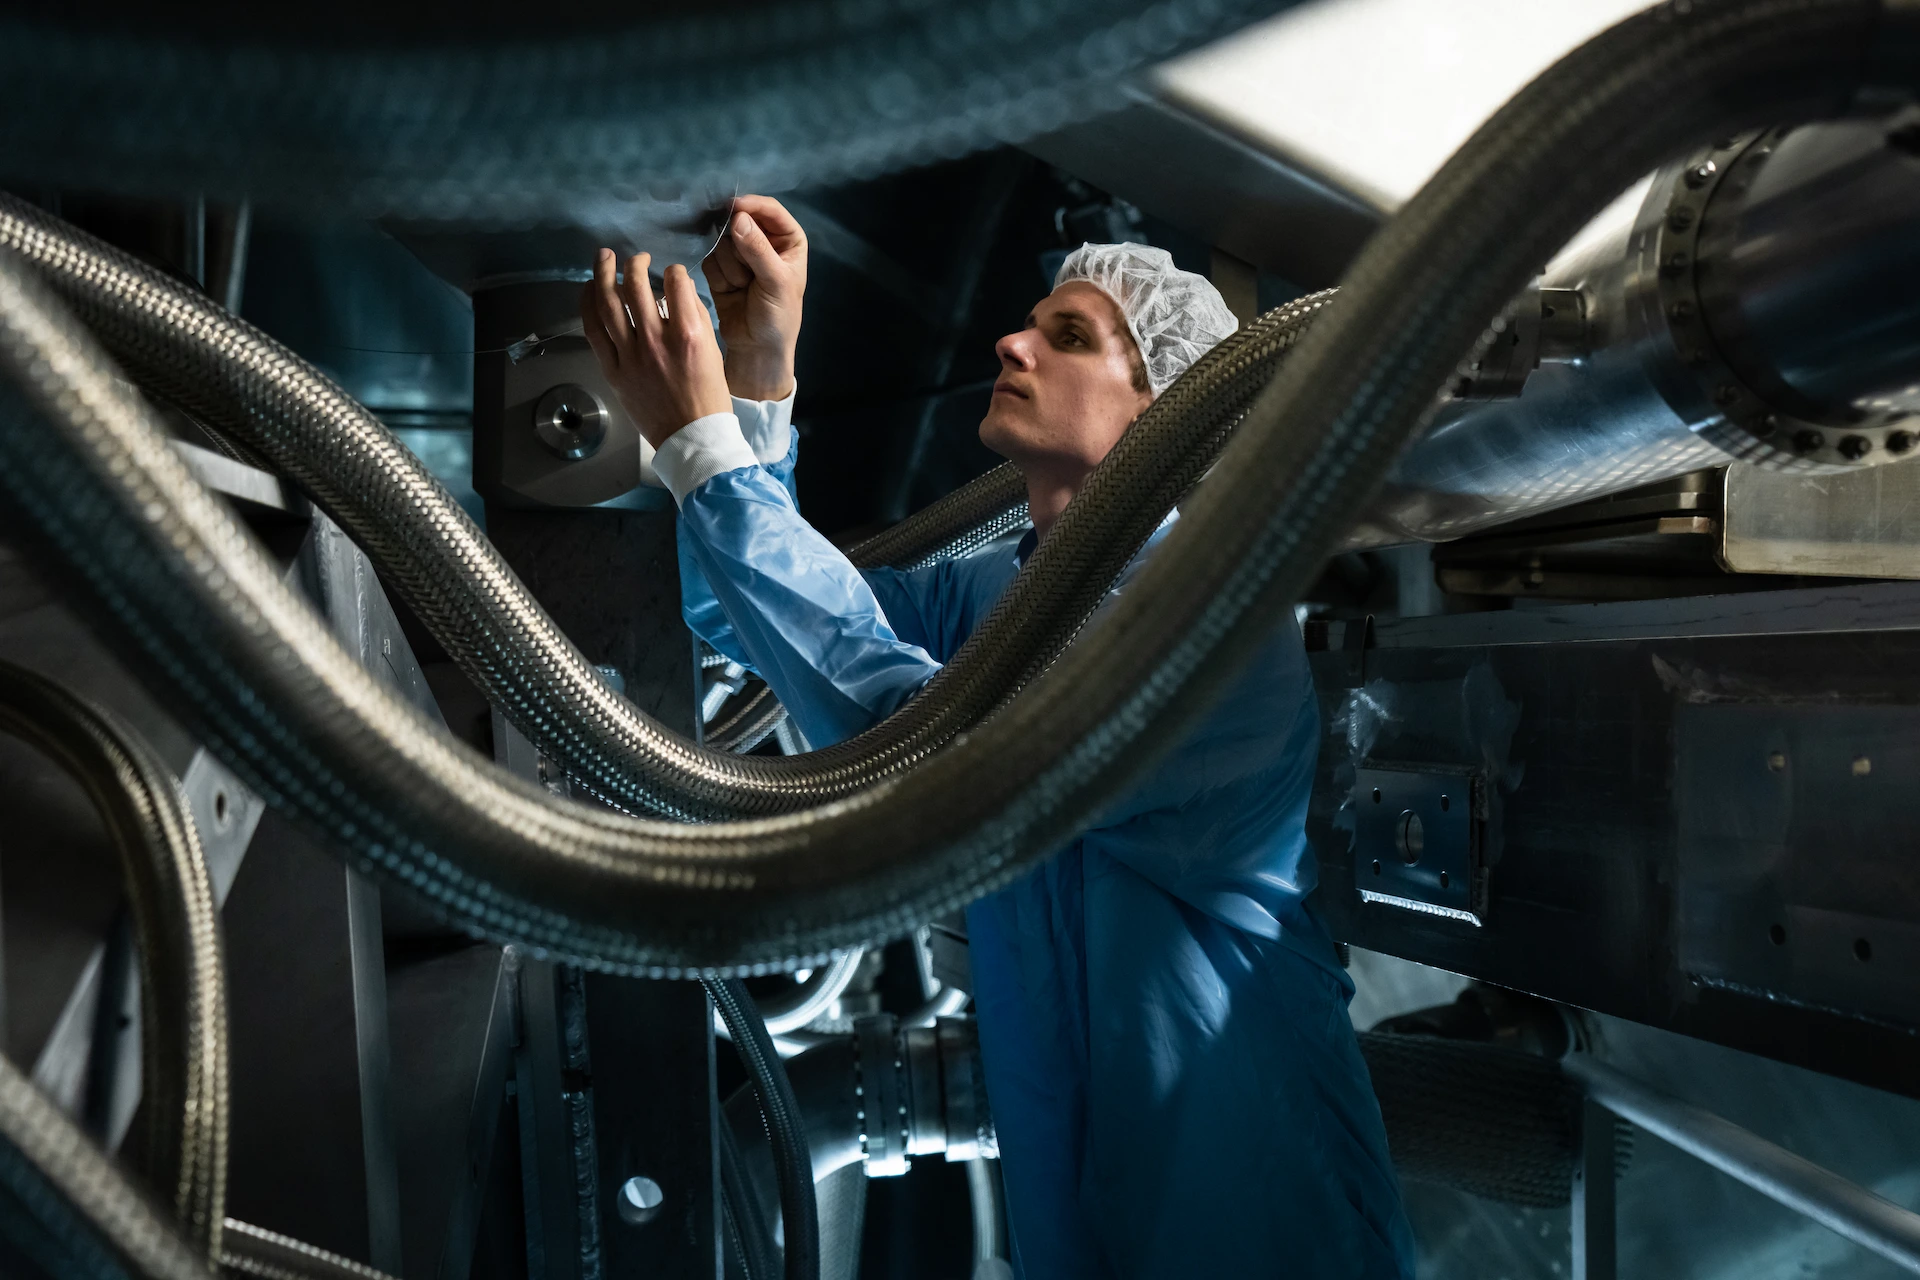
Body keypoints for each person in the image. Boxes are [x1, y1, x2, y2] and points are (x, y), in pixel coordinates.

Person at [579, 197, 1416, 1278]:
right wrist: (757, 377)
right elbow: (745, 607)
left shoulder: (1217, 614)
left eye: (1068, 336)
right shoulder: (1008, 587)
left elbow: (934, 759)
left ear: (1167, 407)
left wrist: (699, 445)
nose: (1011, 343)